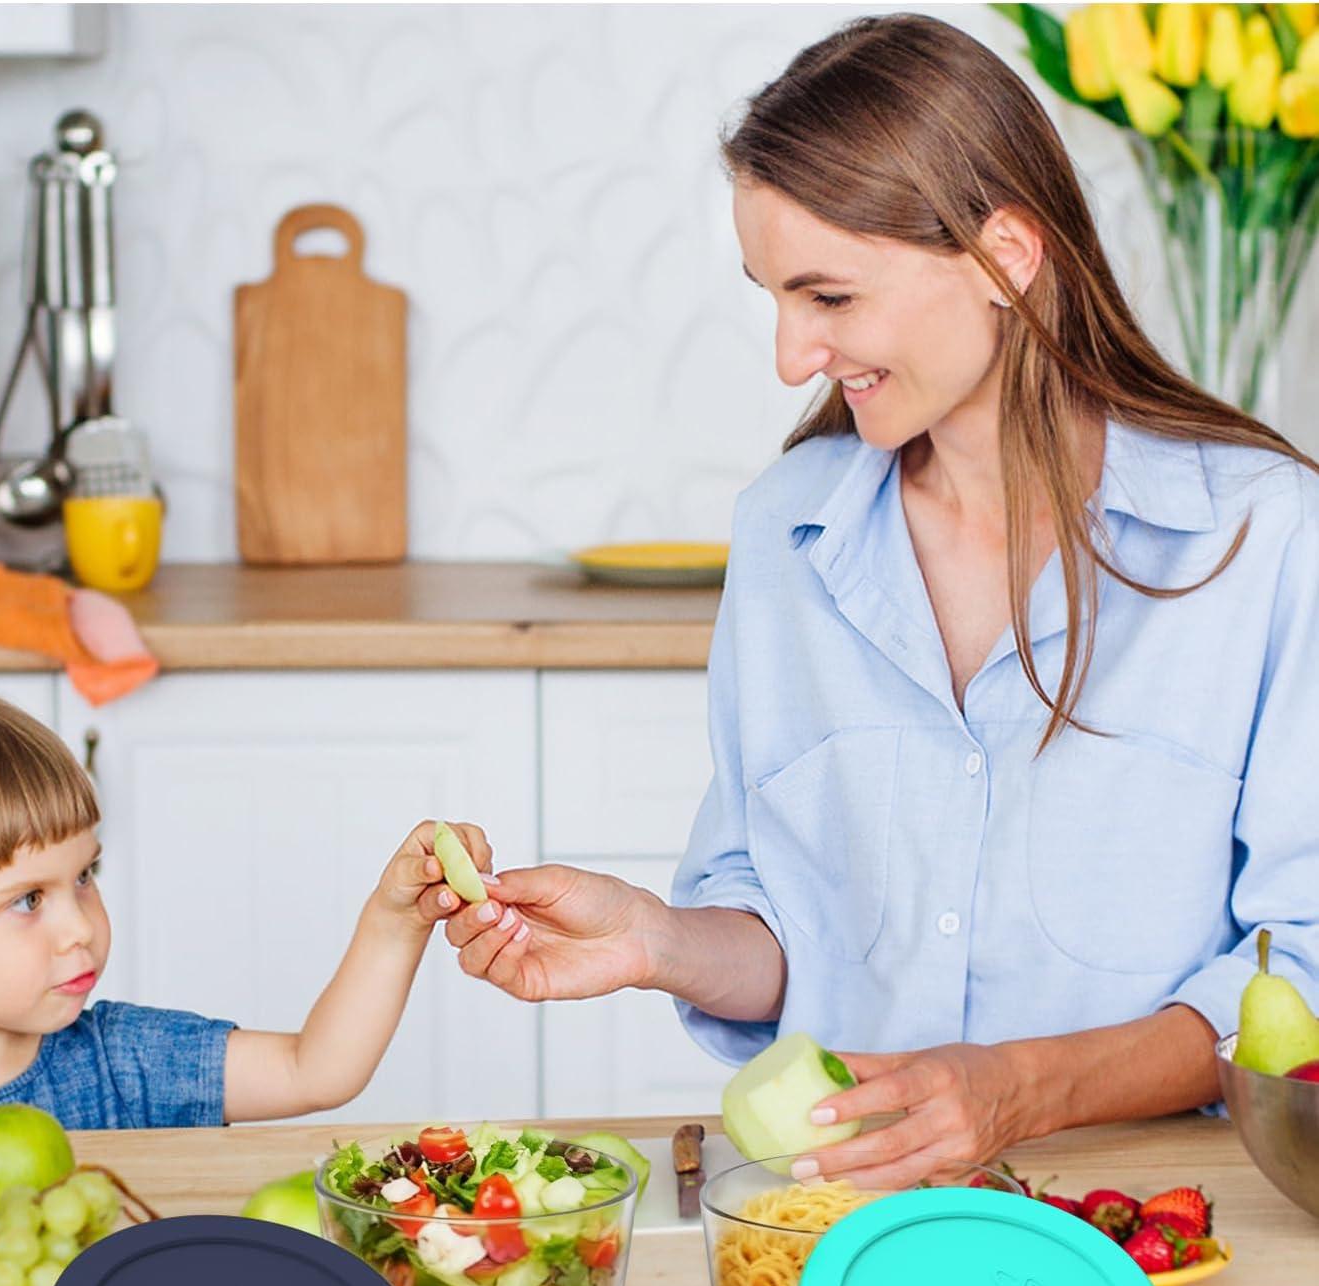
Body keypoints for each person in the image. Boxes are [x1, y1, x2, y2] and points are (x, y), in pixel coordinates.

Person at [443, 13, 1319, 1189]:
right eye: (773, 297)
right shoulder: (785, 533)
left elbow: (1301, 974)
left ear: (1007, 255)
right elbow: (787, 933)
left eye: (830, 298)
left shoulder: (1264, 539)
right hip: (849, 1223)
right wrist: (657, 941)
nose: (792, 355)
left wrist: (1019, 1090)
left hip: (1161, 1229)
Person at [0, 685, 488, 1133]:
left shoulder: (122, 1059)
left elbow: (314, 1070)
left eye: (84, 875)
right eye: (28, 899)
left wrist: (394, 920)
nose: (80, 926)